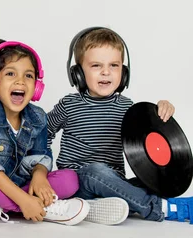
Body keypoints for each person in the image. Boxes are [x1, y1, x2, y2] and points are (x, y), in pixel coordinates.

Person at [48, 27, 191, 225]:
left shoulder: (127, 107)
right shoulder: (69, 104)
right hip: (79, 180)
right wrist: (42, 170)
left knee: (150, 182)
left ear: (124, 73)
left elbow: (150, 138)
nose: (106, 72)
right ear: (78, 73)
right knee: (96, 171)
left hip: (113, 182)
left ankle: (98, 205)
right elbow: (41, 133)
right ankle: (164, 208)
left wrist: (161, 111)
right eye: (96, 65)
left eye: (114, 65)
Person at [0, 39, 90, 226]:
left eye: (29, 76)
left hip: (20, 183)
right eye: (10, 73)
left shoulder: (37, 116)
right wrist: (24, 200)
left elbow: (41, 156)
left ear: (37, 87)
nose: (20, 81)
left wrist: (39, 177)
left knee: (70, 179)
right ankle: (37, 208)